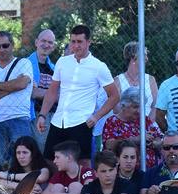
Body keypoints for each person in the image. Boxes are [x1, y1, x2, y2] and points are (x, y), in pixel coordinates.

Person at [35, 25, 118, 160]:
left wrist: (96, 117)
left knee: (81, 165)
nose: (75, 45)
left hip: (82, 122)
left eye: (79, 42)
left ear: (88, 42)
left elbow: (115, 96)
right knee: (50, 161)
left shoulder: (99, 67)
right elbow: (52, 91)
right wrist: (42, 115)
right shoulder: (62, 62)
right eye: (73, 41)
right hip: (58, 121)